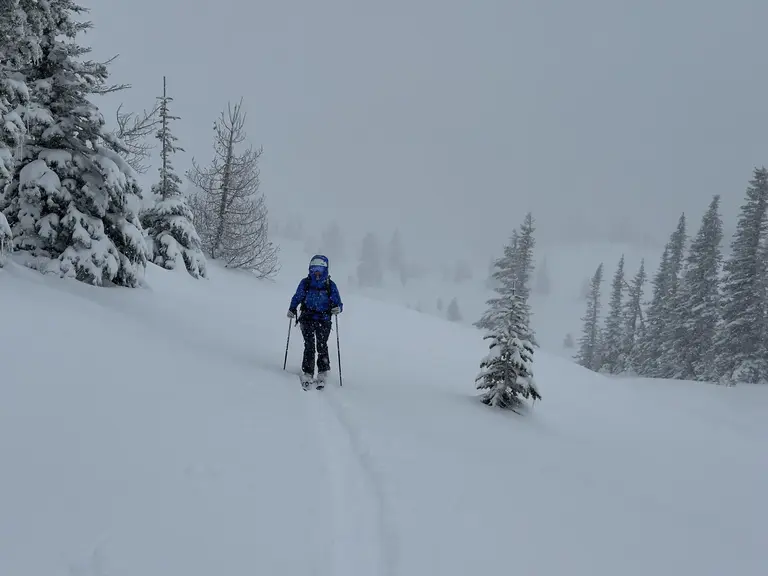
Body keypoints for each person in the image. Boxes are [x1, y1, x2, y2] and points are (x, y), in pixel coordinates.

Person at [287, 254, 343, 386]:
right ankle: (308, 372)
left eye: (320, 269)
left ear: (325, 270)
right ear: (310, 269)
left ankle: (323, 372)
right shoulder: (306, 283)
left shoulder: (330, 285)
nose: (317, 272)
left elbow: (338, 302)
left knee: (322, 345)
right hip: (306, 318)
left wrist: (338, 308)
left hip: (324, 319)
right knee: (309, 345)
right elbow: (298, 296)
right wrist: (292, 308)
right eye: (314, 269)